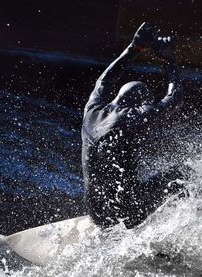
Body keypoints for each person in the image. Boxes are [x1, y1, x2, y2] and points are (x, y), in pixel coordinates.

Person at [82, 22, 184, 229]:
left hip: (96, 213)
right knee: (184, 174)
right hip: (128, 214)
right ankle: (183, 230)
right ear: (141, 104)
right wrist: (170, 60)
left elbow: (104, 81)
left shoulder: (91, 112)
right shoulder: (138, 116)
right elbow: (174, 98)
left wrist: (134, 48)